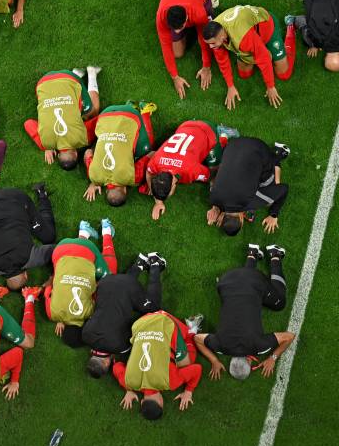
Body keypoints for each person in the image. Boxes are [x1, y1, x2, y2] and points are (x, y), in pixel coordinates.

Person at [194, 244, 295, 381]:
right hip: (225, 282)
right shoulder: (220, 345)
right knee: (245, 287)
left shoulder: (259, 346)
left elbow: (289, 337)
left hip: (253, 282)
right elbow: (197, 339)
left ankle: (275, 255)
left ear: (249, 361)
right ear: (231, 361)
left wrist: (273, 358)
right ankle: (252, 253)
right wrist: (214, 360)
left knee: (280, 303)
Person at [82, 253, 168, 378]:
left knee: (153, 308)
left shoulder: (120, 347)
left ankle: (156, 264)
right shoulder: (85, 336)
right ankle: (139, 263)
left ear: (106, 362)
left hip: (128, 287)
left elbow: (135, 326)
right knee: (119, 292)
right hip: (105, 283)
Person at [114, 310, 204, 420]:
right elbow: (116, 366)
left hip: (166, 320)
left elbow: (197, 369)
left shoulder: (170, 382)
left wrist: (188, 391)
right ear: (142, 401)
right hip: (141, 321)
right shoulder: (128, 381)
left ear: (161, 402)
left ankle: (191, 331)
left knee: (187, 362)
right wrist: (128, 389)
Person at [203, 5, 297, 109]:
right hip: (250, 34)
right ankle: (255, 48)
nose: (210, 47)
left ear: (222, 37)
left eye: (212, 43)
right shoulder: (215, 29)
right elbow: (222, 61)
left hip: (267, 27)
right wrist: (230, 86)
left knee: (284, 74)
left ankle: (290, 28)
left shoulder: (242, 38)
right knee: (244, 74)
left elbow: (264, 58)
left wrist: (270, 87)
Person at [42, 219, 118, 347]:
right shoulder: (51, 313)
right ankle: (83, 233)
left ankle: (107, 231)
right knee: (69, 266)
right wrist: (60, 318)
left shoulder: (90, 312)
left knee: (109, 278)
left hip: (86, 250)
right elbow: (49, 288)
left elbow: (100, 289)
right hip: (60, 249)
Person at [146, 120, 238, 220]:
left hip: (207, 129)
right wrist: (158, 202)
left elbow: (211, 175)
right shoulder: (156, 162)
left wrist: (215, 206)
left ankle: (222, 134)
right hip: (185, 126)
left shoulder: (191, 171)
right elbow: (148, 172)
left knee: (215, 166)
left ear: (173, 185)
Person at [0, 185, 57, 291]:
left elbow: (59, 251)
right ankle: (42, 194)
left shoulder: (31, 258)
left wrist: (53, 277)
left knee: (49, 236)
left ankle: (42, 194)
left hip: (15, 198)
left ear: (26, 275)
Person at [207, 139, 291, 236]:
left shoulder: (252, 202)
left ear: (242, 220)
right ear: (221, 217)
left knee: (271, 191)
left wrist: (274, 214)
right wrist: (215, 207)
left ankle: (277, 156)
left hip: (258, 148)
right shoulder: (213, 198)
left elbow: (284, 188)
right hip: (233, 144)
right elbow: (214, 180)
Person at [24, 67, 101, 170]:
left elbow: (99, 120)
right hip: (43, 82)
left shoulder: (83, 139)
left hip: (70, 79)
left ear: (76, 154)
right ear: (58, 155)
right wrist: (47, 147)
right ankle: (77, 73)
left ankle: (92, 73)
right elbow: (28, 123)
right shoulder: (44, 143)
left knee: (93, 112)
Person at [83, 101, 157, 206]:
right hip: (105, 114)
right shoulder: (94, 176)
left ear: (126, 191)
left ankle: (144, 111)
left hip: (131, 114)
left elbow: (153, 154)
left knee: (147, 149)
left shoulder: (133, 178)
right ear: (107, 191)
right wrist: (94, 181)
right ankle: (129, 106)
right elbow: (88, 152)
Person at [156, 0, 217, 98]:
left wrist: (206, 67)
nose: (177, 31)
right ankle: (189, 29)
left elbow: (204, 40)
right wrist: (175, 77)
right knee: (177, 53)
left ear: (187, 17)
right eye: (174, 29)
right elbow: (166, 47)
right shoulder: (161, 17)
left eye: (180, 28)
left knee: (210, 35)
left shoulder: (198, 13)